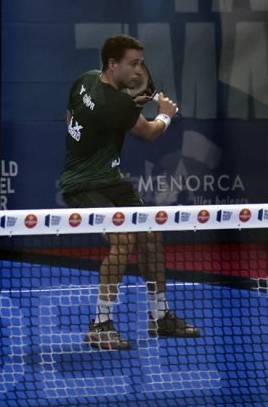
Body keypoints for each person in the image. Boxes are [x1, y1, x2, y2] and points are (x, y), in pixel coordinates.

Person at [59, 34, 200, 350]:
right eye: (133, 64)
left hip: (110, 177)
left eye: (140, 64)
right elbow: (149, 133)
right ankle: (100, 324)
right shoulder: (119, 104)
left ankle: (160, 316)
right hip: (81, 184)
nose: (139, 72)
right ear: (113, 64)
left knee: (150, 234)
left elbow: (70, 117)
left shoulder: (85, 80)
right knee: (123, 240)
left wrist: (86, 141)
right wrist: (165, 112)